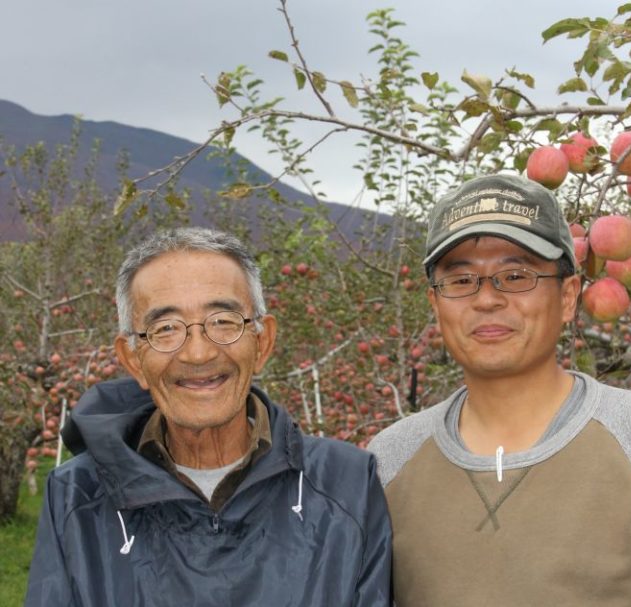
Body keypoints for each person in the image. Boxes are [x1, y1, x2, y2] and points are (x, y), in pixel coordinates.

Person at [368, 174, 631, 606]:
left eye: (515, 275)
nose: (487, 299)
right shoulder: (389, 460)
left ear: (568, 296)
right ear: (436, 304)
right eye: (461, 281)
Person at [25, 227, 392, 607]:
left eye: (222, 321)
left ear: (262, 342)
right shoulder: (77, 497)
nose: (198, 354)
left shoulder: (346, 483)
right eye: (166, 329)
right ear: (133, 359)